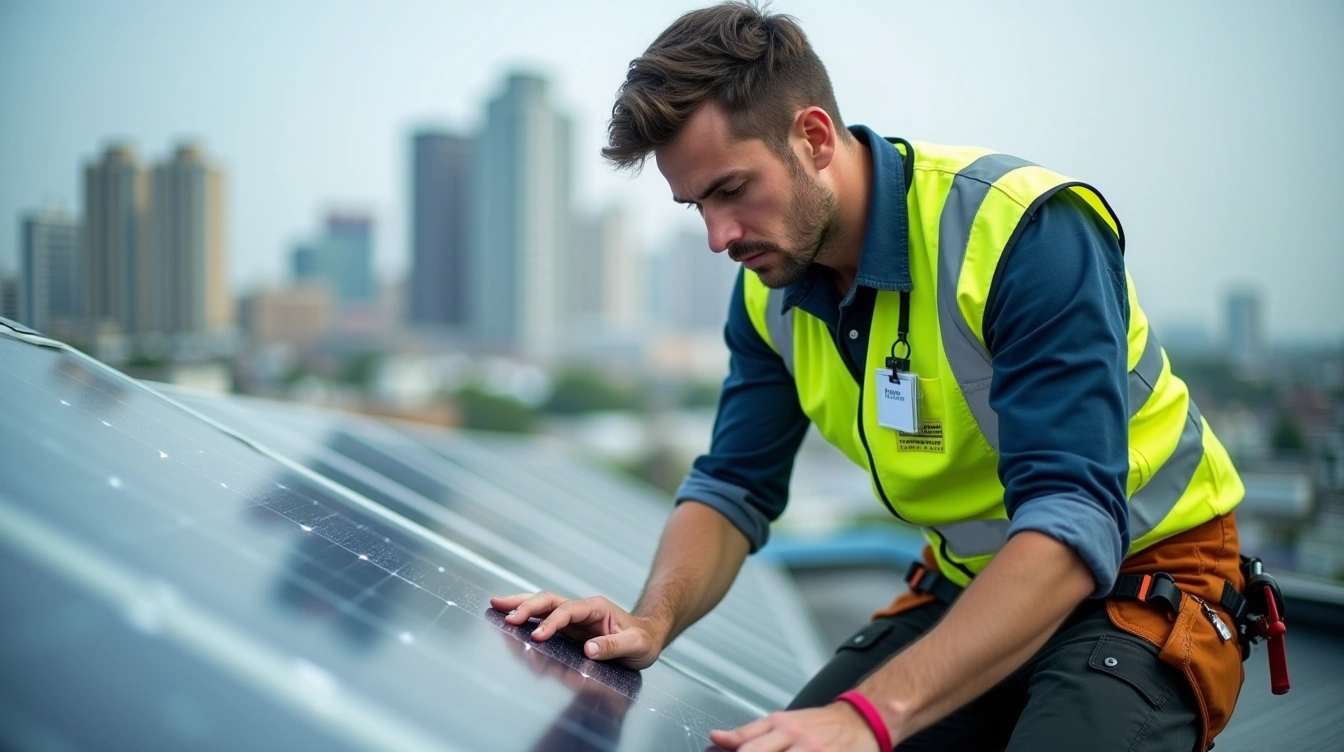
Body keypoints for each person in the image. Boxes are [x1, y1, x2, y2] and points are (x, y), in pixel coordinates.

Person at [491, 3, 1248, 750]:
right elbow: (732, 488)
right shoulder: (767, 291)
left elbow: (1073, 522)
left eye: (731, 190)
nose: (718, 237)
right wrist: (649, 620)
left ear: (813, 137)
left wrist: (868, 715)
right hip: (971, 581)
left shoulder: (1022, 232)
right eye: (696, 206)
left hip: (1145, 580)